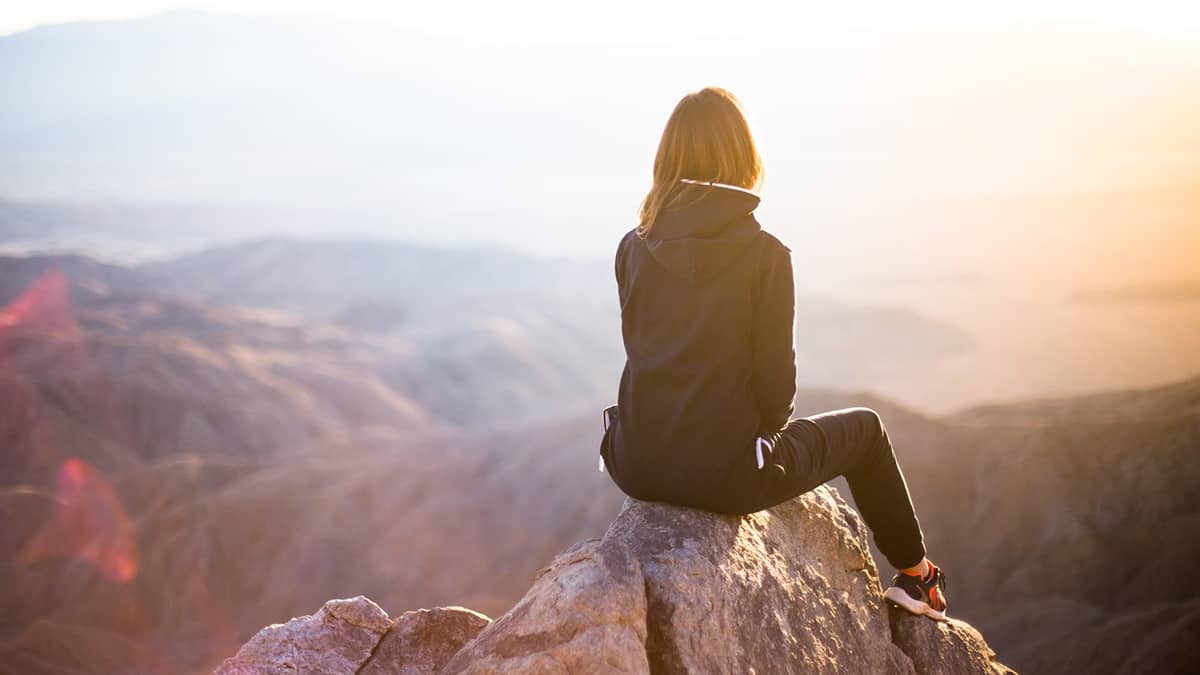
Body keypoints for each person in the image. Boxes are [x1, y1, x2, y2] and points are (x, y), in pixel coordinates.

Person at [598, 86, 948, 621]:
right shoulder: (765, 256)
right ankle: (917, 576)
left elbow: (643, 350)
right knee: (868, 430)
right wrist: (749, 443)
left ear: (667, 159)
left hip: (634, 462)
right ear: (743, 157)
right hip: (728, 477)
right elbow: (777, 397)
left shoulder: (632, 245)